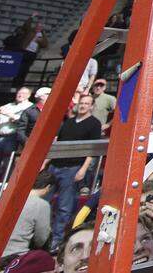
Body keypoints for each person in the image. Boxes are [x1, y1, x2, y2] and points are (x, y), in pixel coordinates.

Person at [47, 93, 101, 250]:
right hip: (55, 165)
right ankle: (46, 237)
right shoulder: (68, 122)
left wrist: (83, 169)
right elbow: (58, 143)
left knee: (65, 206)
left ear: (91, 106)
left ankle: (57, 243)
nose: (83, 105)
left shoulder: (94, 123)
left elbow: (92, 149)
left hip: (73, 168)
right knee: (45, 203)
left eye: (86, 103)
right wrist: (45, 163)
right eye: (82, 103)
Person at [2, 171, 52, 257]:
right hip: (17, 253)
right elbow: (41, 239)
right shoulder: (41, 204)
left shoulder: (9, 198)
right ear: (48, 187)